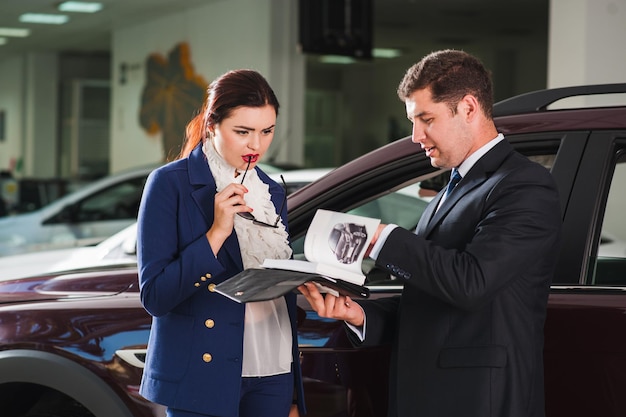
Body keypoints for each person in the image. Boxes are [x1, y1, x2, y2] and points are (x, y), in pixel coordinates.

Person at [299, 49, 562, 417]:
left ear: (468, 108)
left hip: (476, 401)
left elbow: (471, 282)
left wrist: (379, 237)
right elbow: (432, 296)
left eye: (426, 119)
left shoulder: (524, 186)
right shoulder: (454, 188)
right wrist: (360, 314)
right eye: (413, 120)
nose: (415, 135)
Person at [137, 69, 305, 417]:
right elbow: (155, 296)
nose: (255, 145)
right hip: (205, 367)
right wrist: (215, 233)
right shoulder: (170, 184)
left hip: (273, 362)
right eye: (242, 132)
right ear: (212, 124)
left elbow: (270, 277)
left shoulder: (271, 190)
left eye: (266, 131)